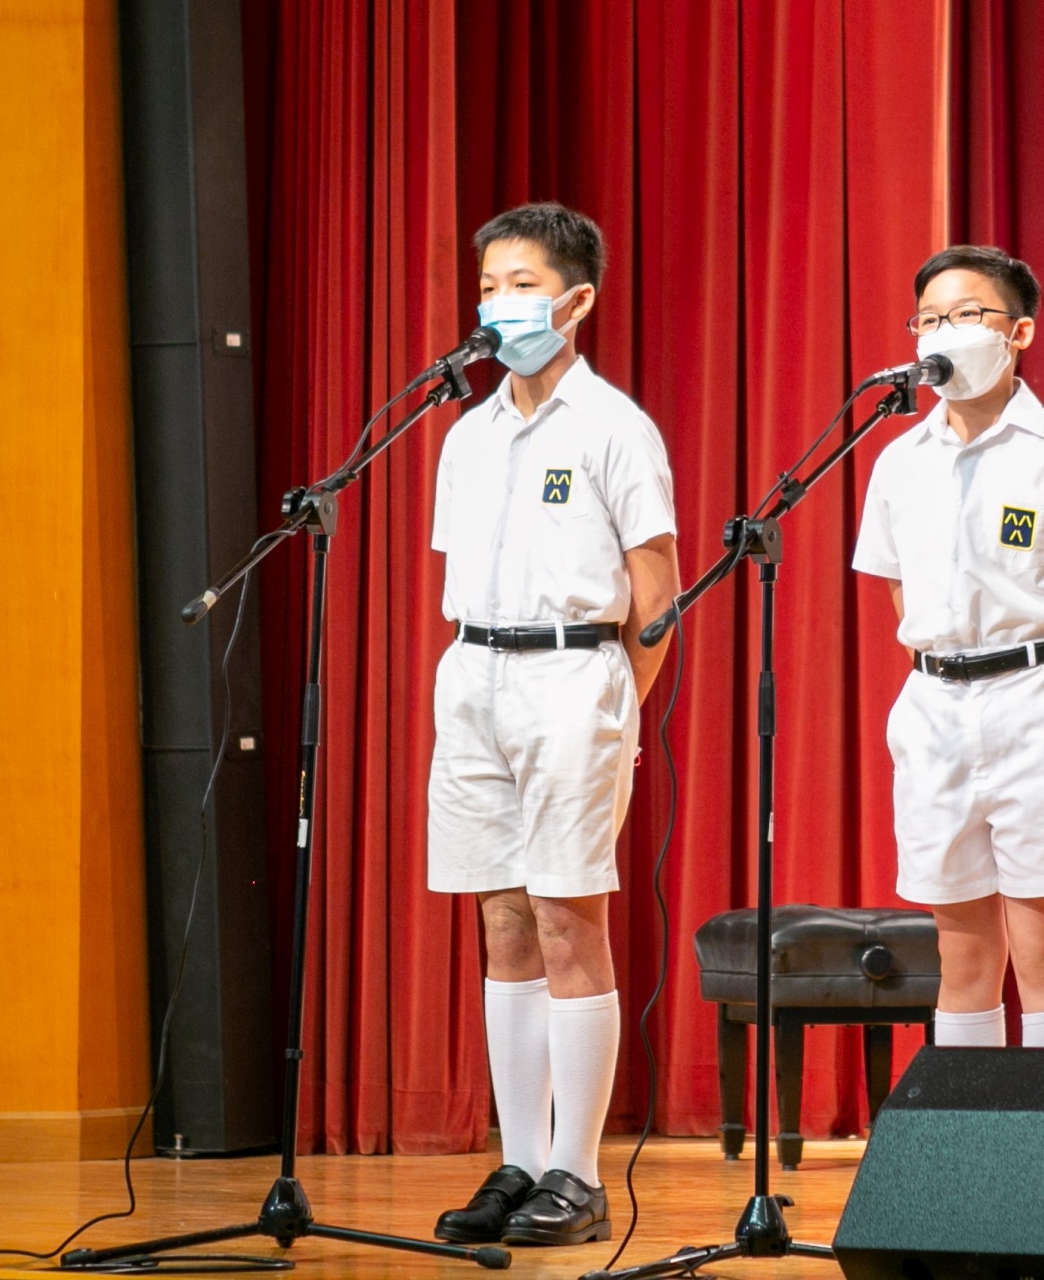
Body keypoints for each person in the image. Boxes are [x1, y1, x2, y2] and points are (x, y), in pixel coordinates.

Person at [426, 202, 680, 1247]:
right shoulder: (467, 434)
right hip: (474, 672)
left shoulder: (615, 427)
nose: (499, 305)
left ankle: (578, 1170)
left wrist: (615, 709)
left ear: (576, 301)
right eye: (489, 286)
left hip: (575, 674)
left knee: (568, 917)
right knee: (503, 919)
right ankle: (521, 1159)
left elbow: (655, 596)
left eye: (522, 286)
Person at [851, 245, 1044, 1051]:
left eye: (969, 313)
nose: (945, 331)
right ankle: (970, 1128)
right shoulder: (898, 461)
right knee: (962, 951)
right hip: (937, 710)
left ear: (1019, 332)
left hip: (1043, 705)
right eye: (929, 318)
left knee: (1043, 943)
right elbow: (901, 595)